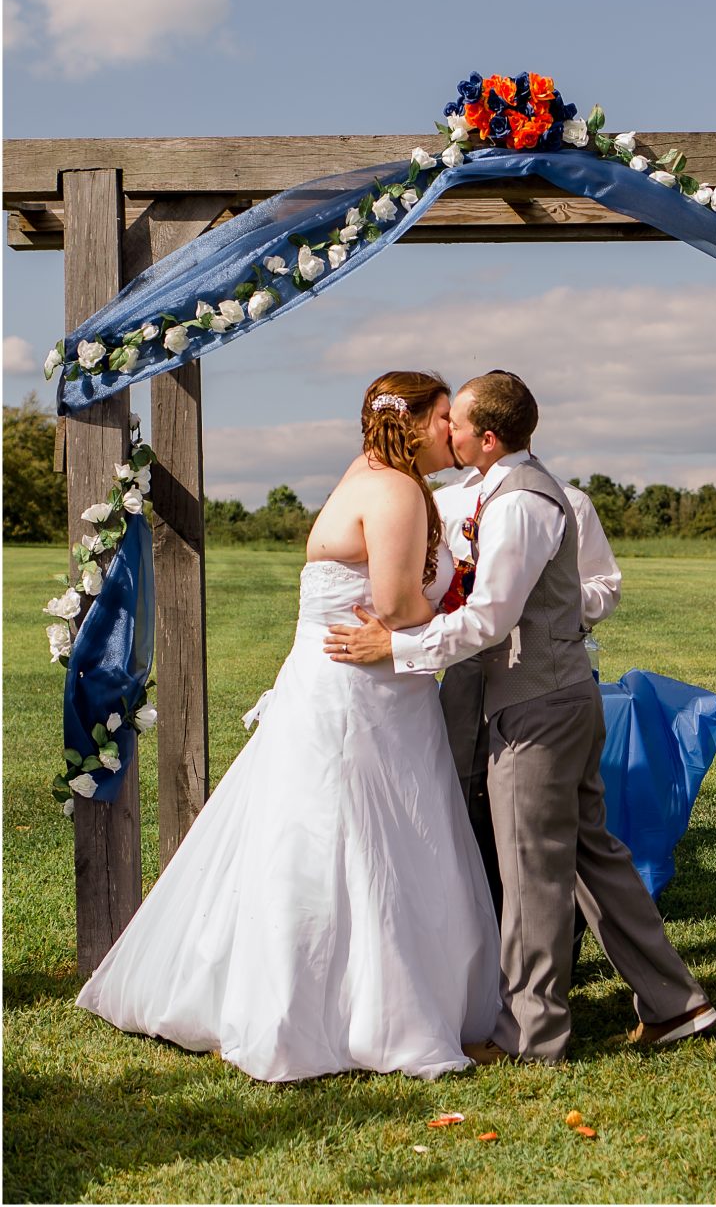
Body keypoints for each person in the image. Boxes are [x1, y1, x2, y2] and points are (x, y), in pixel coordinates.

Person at [77, 371, 501, 1082]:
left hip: (354, 689)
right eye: (442, 419)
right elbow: (397, 610)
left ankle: (320, 999)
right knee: (364, 841)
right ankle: (352, 1012)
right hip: (361, 695)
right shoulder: (396, 490)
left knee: (333, 839)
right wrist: (480, 616)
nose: (450, 434)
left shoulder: (368, 475)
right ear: (417, 421)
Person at [326, 371, 716, 1065]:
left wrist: (398, 644)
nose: (446, 431)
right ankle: (675, 1003)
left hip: (536, 705)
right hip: (547, 696)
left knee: (533, 871)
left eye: (457, 421)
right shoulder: (492, 494)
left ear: (488, 436)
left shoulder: (524, 506)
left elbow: (492, 618)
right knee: (592, 859)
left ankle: (532, 1038)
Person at [435, 464, 621, 946]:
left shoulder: (568, 501)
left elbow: (605, 584)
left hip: (544, 668)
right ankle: (485, 931)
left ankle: (561, 937)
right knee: (465, 791)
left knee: (550, 811)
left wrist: (546, 595)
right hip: (468, 663)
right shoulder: (446, 502)